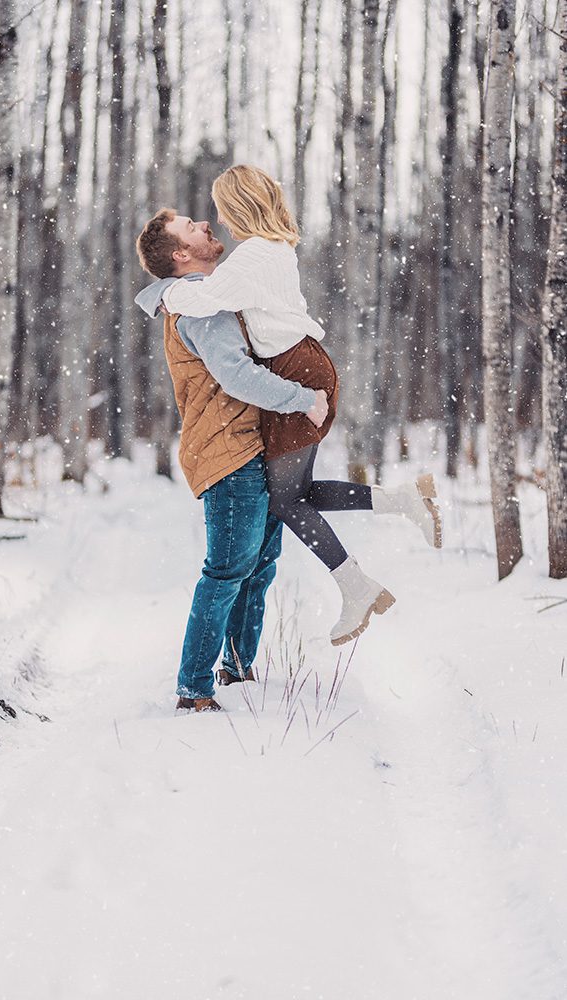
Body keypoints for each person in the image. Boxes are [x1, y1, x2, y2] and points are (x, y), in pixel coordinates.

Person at [159, 165, 443, 647]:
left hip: (296, 372)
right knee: (296, 491)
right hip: (299, 365)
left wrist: (166, 291)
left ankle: (357, 584)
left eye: (222, 209)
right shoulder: (269, 249)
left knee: (287, 498)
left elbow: (204, 301)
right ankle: (398, 506)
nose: (217, 221)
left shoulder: (251, 258)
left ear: (238, 208)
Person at [135, 209, 327, 712]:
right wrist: (303, 398)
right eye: (190, 226)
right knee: (227, 570)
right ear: (180, 255)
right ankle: (194, 689)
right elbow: (237, 377)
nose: (204, 224)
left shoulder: (207, 298)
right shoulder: (201, 309)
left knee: (258, 566)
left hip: (248, 446)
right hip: (228, 453)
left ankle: (238, 666)